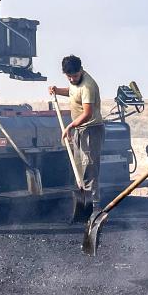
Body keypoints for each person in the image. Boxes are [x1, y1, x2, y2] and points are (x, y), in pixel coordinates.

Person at [48, 54, 103, 222]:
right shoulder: (75, 83)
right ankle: (83, 208)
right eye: (69, 76)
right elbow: (73, 93)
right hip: (80, 129)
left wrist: (70, 126)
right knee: (79, 169)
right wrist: (58, 90)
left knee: (89, 170)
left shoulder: (87, 85)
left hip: (91, 130)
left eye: (75, 76)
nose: (72, 79)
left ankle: (95, 209)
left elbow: (88, 113)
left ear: (81, 70)